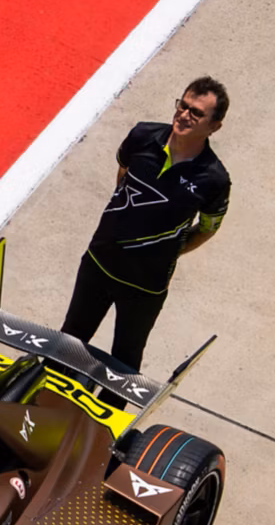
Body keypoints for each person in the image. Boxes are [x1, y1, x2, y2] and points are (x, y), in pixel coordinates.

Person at [61, 76, 231, 371]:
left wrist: (168, 250)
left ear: (214, 126)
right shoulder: (142, 135)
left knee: (124, 364)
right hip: (99, 263)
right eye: (183, 105)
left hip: (146, 287)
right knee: (68, 344)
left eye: (196, 113)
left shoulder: (214, 179)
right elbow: (123, 173)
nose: (184, 115)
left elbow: (208, 228)